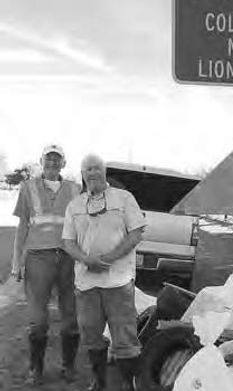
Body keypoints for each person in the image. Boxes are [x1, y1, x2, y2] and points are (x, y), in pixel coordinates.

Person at [62, 154, 147, 391]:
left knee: (125, 338)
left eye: (97, 168)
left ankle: (127, 385)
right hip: (86, 284)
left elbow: (136, 233)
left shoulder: (124, 198)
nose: (93, 173)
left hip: (118, 282)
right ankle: (99, 382)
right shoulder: (75, 205)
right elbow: (68, 242)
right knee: (91, 335)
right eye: (88, 169)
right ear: (82, 174)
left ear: (105, 171)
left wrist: (110, 258)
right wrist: (86, 259)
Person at [10, 144, 80, 385]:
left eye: (56, 158)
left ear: (64, 163)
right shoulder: (28, 188)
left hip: (69, 259)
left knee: (71, 318)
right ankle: (35, 369)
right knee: (38, 320)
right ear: (41, 161)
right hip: (38, 258)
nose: (52, 162)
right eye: (48, 158)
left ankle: (68, 367)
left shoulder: (75, 189)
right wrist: (16, 262)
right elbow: (22, 227)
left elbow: (84, 226)